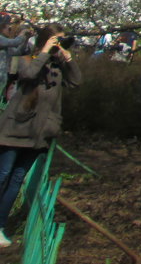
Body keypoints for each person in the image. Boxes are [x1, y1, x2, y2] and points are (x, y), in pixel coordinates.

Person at [0, 23, 82, 247]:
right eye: (56, 40)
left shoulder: (57, 69)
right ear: (46, 41)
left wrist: (67, 58)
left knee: (17, 179)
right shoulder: (29, 61)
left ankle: (0, 226)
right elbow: (26, 75)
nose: (58, 45)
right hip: (15, 130)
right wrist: (44, 51)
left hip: (39, 134)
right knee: (3, 174)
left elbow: (76, 81)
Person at [0, 20, 32, 104]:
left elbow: (18, 52)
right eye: (9, 29)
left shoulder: (5, 46)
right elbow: (15, 42)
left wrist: (26, 39)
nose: (10, 31)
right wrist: (22, 33)